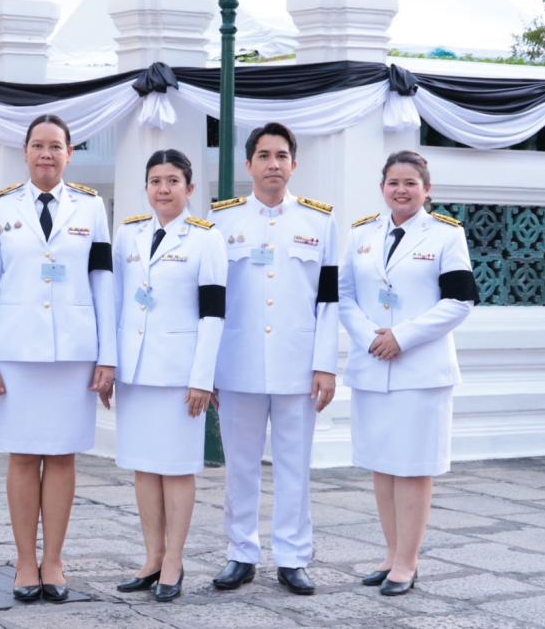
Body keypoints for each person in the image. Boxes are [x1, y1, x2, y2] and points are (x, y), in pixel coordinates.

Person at [0, 114, 116, 602]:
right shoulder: (0, 207)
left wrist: (107, 355)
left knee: (61, 455)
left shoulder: (91, 207)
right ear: (25, 151)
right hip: (16, 353)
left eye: (56, 146)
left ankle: (53, 559)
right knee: (22, 455)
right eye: (38, 145)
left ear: (70, 153)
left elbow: (103, 281)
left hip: (74, 353)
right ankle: (24, 560)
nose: (46, 154)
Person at [208, 122, 338, 596]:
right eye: (264, 156)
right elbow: (211, 300)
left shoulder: (319, 222)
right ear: (249, 164)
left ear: (294, 164)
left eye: (282, 156)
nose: (273, 164)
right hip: (237, 362)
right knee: (240, 465)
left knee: (293, 465)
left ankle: (293, 556)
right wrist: (208, 369)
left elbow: (329, 300)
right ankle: (241, 553)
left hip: (297, 364)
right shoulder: (221, 221)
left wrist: (325, 364)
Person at [340, 150, 477, 596]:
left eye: (410, 183)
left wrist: (403, 336)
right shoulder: (361, 233)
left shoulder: (446, 235)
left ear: (426, 189)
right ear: (383, 187)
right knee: (382, 465)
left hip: (421, 370)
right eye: (393, 182)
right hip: (373, 365)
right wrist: (370, 337)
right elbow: (344, 296)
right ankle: (390, 553)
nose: (401, 190)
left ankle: (407, 562)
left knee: (413, 468)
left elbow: (459, 301)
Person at [109, 149, 226, 602]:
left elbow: (213, 313)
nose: (163, 189)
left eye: (173, 181)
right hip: (136, 370)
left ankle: (174, 559)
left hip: (180, 374)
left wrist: (202, 377)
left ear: (190, 188)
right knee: (144, 466)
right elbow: (117, 301)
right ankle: (152, 557)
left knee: (176, 468)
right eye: (156, 180)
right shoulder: (129, 233)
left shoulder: (206, 238)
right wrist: (110, 363)